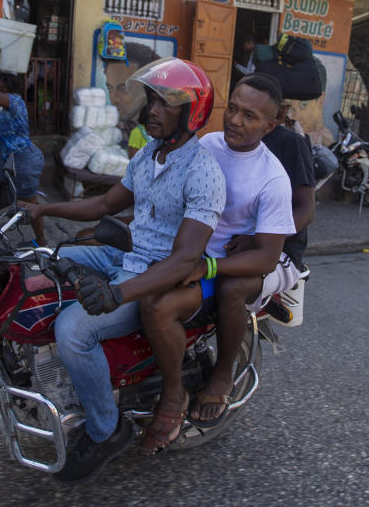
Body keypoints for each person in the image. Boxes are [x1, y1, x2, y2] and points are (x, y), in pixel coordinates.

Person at [22, 57, 225, 483]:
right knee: (40, 266)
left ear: (192, 112)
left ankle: (105, 429)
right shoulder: (149, 154)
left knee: (74, 331)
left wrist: (117, 294)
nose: (152, 110)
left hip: (155, 274)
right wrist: (42, 207)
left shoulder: (204, 172)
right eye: (153, 100)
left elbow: (186, 259)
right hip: (124, 256)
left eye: (166, 103)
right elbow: (103, 205)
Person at [138, 74, 297, 452]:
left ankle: (217, 377)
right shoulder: (207, 144)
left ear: (269, 125)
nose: (236, 121)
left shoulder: (273, 178)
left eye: (250, 116)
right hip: (186, 252)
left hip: (222, 266)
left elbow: (268, 256)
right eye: (233, 109)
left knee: (212, 294)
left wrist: (208, 268)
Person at [0, 47, 46, 245]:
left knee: (29, 203)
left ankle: (42, 241)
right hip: (9, 157)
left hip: (24, 159)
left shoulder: (14, 102)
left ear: (5, 84)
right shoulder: (7, 105)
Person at [104, 42, 161, 143]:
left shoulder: (158, 132)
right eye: (110, 89)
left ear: (147, 91)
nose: (114, 99)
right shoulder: (105, 132)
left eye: (123, 90)